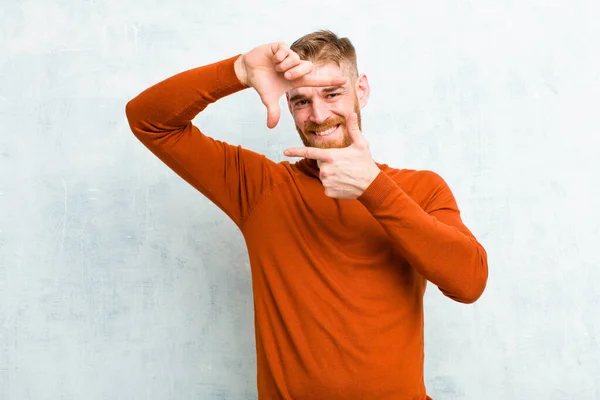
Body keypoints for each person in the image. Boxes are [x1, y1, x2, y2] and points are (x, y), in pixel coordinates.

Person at [125, 29, 488, 400]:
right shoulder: (259, 188)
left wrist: (373, 189)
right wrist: (237, 70)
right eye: (300, 101)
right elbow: (149, 120)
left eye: (332, 94)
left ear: (361, 90)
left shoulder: (419, 188)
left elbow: (469, 282)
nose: (317, 115)